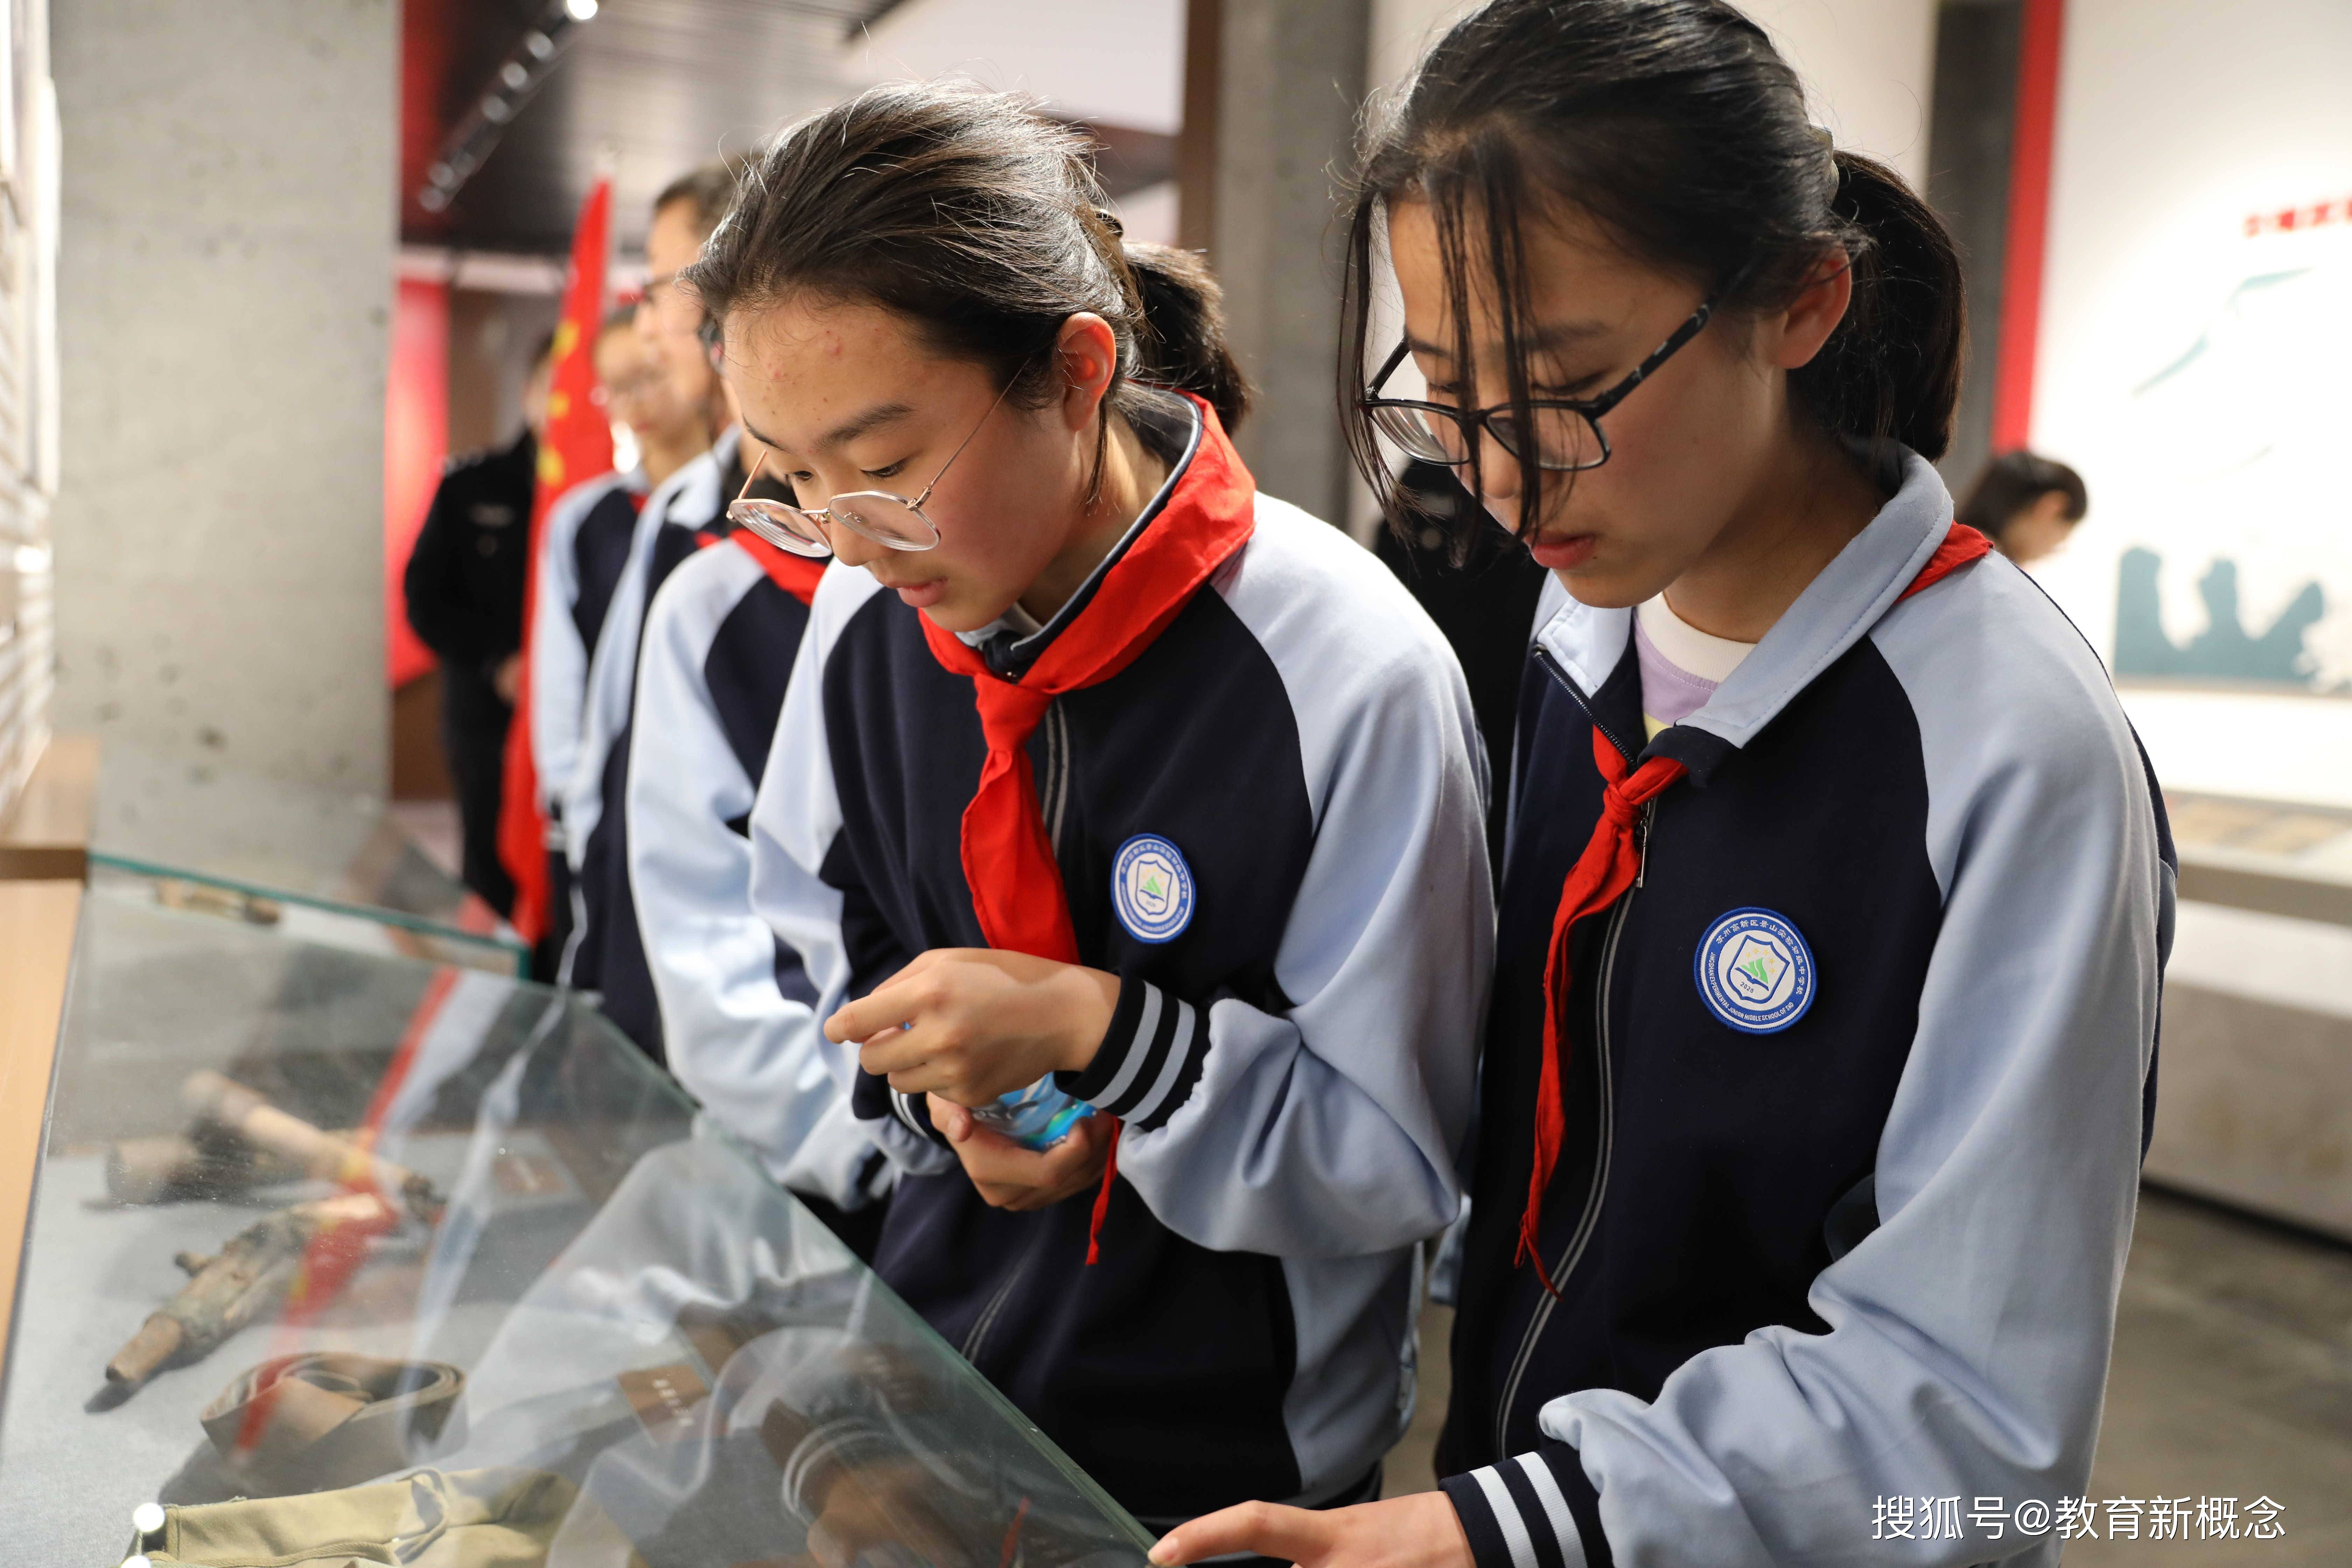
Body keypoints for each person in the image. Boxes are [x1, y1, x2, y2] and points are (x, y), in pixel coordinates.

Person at [1155, 3, 2174, 1566]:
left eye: (1560, 386)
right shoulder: (1583, 624)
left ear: (1796, 302)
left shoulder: (2002, 748)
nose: (1498, 476)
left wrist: (1527, 1527)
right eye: (1444, 395)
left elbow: (1969, 1419)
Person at [700, 85, 1491, 1534]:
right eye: (793, 482)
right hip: (924, 1389)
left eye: (884, 468)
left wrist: (1111, 1043)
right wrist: (940, 1090)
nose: (850, 539)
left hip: (1223, 1468)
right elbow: (820, 935)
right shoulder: (865, 620)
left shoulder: (1346, 674)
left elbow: (1400, 1156)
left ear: (1074, 372)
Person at [559, 163, 742, 1053]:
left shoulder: (847, 541)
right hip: (660, 994)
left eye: (662, 288)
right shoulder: (672, 524)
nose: (652, 326)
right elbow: (609, 758)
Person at [529, 311, 722, 976]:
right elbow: (564, 670)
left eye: (648, 377)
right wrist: (566, 784)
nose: (635, 401)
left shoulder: (739, 509)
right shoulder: (588, 518)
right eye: (615, 386)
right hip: (609, 789)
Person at [404, 331, 554, 917]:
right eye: (554, 386)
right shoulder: (470, 486)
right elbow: (425, 602)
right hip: (487, 717)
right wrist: (498, 663)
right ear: (529, 392)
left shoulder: (609, 501)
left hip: (570, 723)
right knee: (491, 870)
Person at [1958, 449, 2088, 566]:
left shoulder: (1952, 545)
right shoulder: (1986, 568)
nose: (2050, 551)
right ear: (2050, 509)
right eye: (2061, 538)